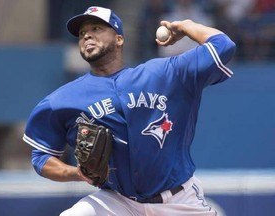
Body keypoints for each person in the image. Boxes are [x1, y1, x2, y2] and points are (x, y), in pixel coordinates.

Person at [23, 6, 236, 216]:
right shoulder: (62, 100)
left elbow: (223, 45)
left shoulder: (166, 74)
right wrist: (77, 173)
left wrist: (187, 26)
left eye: (97, 28)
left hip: (179, 201)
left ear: (119, 39)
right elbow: (41, 157)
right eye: (82, 33)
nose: (87, 35)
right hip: (117, 202)